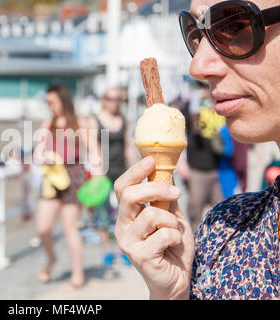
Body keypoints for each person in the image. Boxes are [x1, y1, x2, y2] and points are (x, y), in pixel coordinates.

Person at [114, 0, 280, 300]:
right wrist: (171, 294)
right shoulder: (222, 232)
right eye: (195, 34)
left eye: (233, 26)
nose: (197, 66)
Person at [34, 83, 102, 289]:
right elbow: (38, 151)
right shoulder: (48, 124)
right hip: (53, 177)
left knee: (70, 227)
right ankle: (51, 258)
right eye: (47, 102)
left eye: (52, 101)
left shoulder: (79, 123)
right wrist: (42, 157)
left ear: (63, 101)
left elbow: (94, 151)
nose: (49, 105)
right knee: (43, 227)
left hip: (74, 175)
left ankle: (78, 272)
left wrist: (98, 178)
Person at [90, 88, 138, 267]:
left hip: (121, 171)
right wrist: (98, 170)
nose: (114, 102)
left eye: (118, 99)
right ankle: (105, 250)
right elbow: (93, 146)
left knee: (123, 213)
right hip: (102, 172)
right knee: (102, 214)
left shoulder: (124, 119)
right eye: (110, 99)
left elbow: (128, 147)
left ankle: (122, 249)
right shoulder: (95, 120)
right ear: (104, 100)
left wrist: (135, 168)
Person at [178, 83, 224, 231]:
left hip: (217, 168)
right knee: (194, 213)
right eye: (203, 87)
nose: (206, 90)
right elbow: (181, 130)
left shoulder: (218, 107)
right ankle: (194, 248)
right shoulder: (191, 110)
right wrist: (181, 162)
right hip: (197, 170)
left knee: (222, 212)